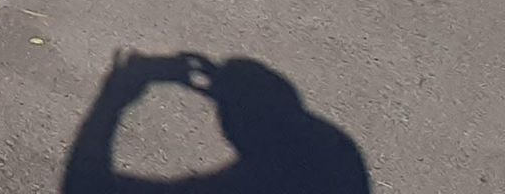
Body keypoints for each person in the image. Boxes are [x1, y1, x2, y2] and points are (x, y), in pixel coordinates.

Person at [61, 50, 370, 193]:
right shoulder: (336, 153)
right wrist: (229, 89)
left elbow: (85, 186)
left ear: (234, 128)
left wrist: (115, 96)